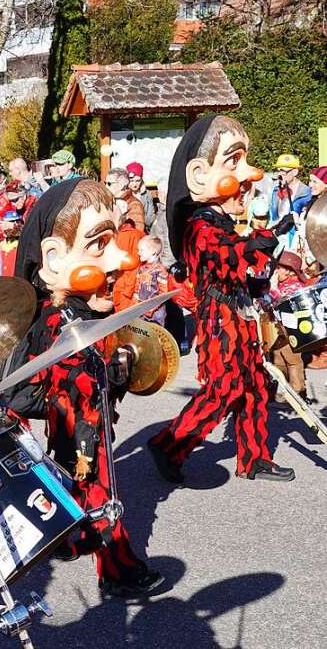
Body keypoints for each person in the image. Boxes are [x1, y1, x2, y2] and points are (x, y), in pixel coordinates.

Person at [13, 178, 164, 598]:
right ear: (53, 259)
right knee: (98, 485)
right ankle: (117, 570)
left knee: (68, 478)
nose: (121, 260)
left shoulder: (76, 312)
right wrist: (118, 370)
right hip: (83, 428)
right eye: (99, 245)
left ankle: (69, 538)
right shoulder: (59, 322)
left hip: (71, 425)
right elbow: (82, 387)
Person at [148, 115, 295, 484]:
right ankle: (170, 445)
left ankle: (254, 457)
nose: (249, 177)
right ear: (200, 175)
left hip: (239, 316)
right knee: (223, 388)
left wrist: (266, 256)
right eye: (234, 162)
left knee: (256, 386)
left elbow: (245, 269)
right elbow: (225, 255)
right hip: (218, 320)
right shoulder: (200, 225)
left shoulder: (225, 223)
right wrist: (260, 242)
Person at [266, 250, 310, 407]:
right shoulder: (282, 284)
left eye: (280, 267)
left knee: (292, 360)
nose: (277, 270)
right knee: (278, 359)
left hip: (292, 329)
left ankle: (298, 391)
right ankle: (281, 389)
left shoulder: (295, 286)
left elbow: (283, 302)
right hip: (279, 329)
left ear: (291, 271)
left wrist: (273, 287)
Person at [135, 235, 169, 325]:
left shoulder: (160, 270)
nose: (138, 253)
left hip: (156, 313)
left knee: (156, 336)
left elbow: (163, 293)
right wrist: (136, 304)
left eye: (141, 250)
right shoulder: (141, 268)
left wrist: (151, 308)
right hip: (141, 311)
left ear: (153, 252)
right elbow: (137, 288)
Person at [271, 153, 312, 223]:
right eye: (278, 171)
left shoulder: (306, 194)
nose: (280, 175)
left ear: (295, 172)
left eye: (283, 171)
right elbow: (273, 217)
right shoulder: (276, 190)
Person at [126, 162, 156, 231]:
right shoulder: (124, 194)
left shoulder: (147, 195)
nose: (134, 184)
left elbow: (150, 219)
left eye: (137, 181)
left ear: (141, 180)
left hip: (143, 230)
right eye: (131, 181)